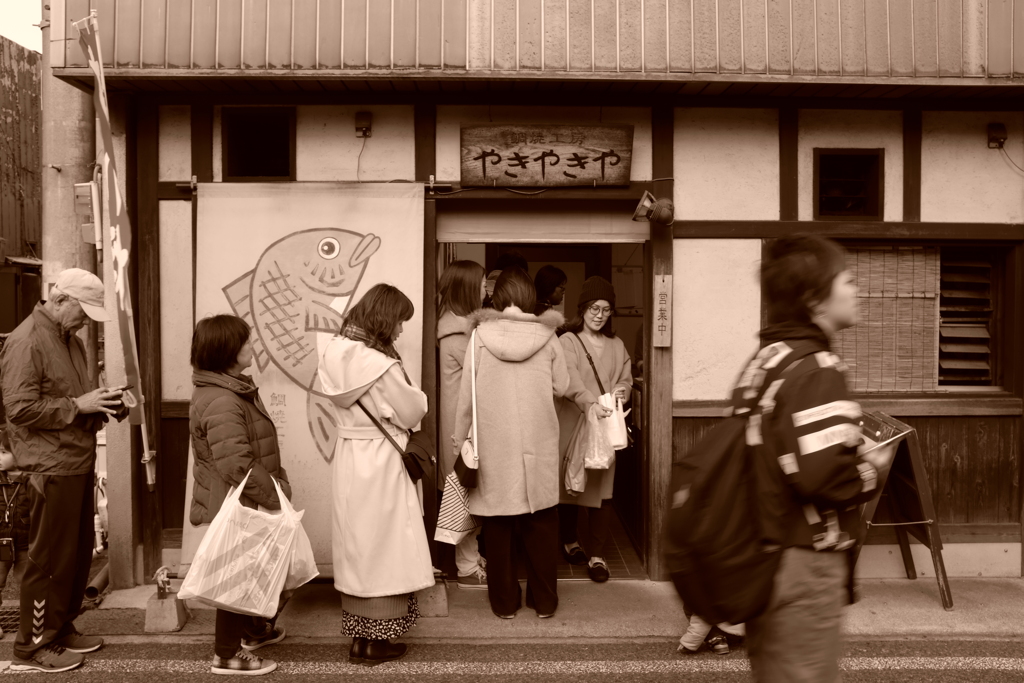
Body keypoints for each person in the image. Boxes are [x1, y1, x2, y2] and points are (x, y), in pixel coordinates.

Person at [743, 235, 879, 682]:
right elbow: (822, 476)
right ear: (813, 299)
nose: (857, 289)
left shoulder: (766, 361)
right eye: (848, 279)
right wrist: (870, 470)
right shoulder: (819, 369)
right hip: (807, 556)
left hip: (762, 552)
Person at [0, 268, 127, 673]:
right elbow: (19, 410)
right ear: (59, 301)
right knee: (48, 561)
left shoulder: (69, 339)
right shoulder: (25, 341)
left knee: (73, 559)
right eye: (83, 311)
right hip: (48, 465)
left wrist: (105, 404)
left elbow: (73, 400)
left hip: (75, 460)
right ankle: (32, 644)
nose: (86, 320)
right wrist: (80, 405)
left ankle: (61, 627)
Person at [318, 284, 434, 666]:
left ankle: (359, 640)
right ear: (386, 319)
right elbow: (411, 411)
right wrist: (419, 398)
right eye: (400, 321)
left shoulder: (334, 352)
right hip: (381, 459)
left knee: (358, 545)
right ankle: (379, 642)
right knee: (386, 546)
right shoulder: (379, 364)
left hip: (350, 455)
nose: (401, 330)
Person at [453, 267, 570, 619]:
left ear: (497, 297)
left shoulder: (479, 336)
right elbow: (562, 386)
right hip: (539, 443)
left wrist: (460, 442)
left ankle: (504, 604)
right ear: (530, 297)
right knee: (542, 524)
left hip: (493, 444)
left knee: (499, 525)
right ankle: (544, 602)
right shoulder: (549, 336)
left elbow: (466, 399)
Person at [189, 314, 292, 676]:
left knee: (255, 568)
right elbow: (238, 465)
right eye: (246, 342)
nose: (253, 347)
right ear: (228, 351)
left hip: (244, 495)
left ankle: (253, 631)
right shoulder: (222, 399)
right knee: (236, 575)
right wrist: (276, 497)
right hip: (238, 497)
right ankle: (226, 654)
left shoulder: (229, 390)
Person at [556, 276, 632, 582]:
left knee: (602, 489)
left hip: (605, 427)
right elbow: (569, 379)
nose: (599, 315)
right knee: (572, 484)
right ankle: (570, 541)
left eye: (606, 309)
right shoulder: (567, 341)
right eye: (593, 308)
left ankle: (598, 555)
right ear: (582, 309)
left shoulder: (617, 345)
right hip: (574, 422)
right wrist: (589, 402)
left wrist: (624, 389)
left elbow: (625, 376)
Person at [436, 260, 489, 590]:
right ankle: (468, 566)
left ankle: (469, 560)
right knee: (466, 492)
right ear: (469, 288)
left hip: (456, 423)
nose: (486, 290)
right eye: (482, 283)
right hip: (463, 426)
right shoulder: (459, 335)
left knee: (463, 491)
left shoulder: (450, 327)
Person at [0, 429, 31, 639]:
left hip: (26, 543)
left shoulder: (32, 481)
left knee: (28, 584)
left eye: (3, 452)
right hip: (0, 542)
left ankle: (30, 623)